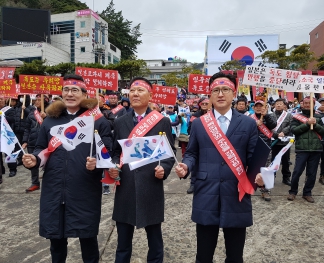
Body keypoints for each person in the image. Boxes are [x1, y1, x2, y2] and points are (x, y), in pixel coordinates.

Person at [22, 74, 112, 263]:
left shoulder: (98, 121)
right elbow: (40, 148)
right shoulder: (50, 120)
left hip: (84, 188)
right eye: (66, 90)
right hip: (54, 188)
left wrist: (97, 163)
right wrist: (34, 160)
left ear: (84, 93)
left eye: (75, 90)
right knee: (56, 241)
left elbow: (108, 153)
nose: (70, 94)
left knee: (88, 240)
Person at [175, 72, 264, 263]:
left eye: (225, 90)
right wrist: (186, 167)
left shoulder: (248, 124)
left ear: (234, 93)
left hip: (236, 192)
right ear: (210, 95)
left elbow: (253, 157)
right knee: (204, 255)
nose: (221, 94)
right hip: (206, 191)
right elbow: (192, 153)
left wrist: (261, 175)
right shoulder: (199, 123)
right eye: (216, 90)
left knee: (235, 255)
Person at [108, 77, 176, 263]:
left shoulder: (161, 121)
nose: (135, 94)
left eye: (140, 91)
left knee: (154, 240)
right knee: (123, 242)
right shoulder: (120, 121)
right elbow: (115, 152)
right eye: (132, 91)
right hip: (126, 187)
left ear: (151, 96)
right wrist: (114, 166)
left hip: (151, 185)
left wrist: (164, 168)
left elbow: (169, 154)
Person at [287, 96, 324, 203]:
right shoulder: (297, 117)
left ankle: (307, 193)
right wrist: (307, 124)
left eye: (310, 103)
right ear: (302, 104)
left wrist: (315, 124)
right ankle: (293, 191)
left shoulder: (319, 117)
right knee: (297, 171)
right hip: (302, 149)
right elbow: (294, 130)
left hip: (316, 149)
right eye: (305, 103)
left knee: (312, 173)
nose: (307, 105)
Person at [250, 100, 277, 201]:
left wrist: (266, 116)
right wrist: (255, 125)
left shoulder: (269, 116)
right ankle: (250, 187)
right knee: (251, 168)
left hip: (266, 146)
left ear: (265, 107)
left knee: (266, 169)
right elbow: (245, 130)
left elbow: (273, 125)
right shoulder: (249, 118)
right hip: (252, 146)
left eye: (260, 106)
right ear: (253, 108)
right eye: (256, 106)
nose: (258, 108)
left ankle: (265, 191)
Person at [22, 94, 49, 192]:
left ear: (45, 101)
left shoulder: (51, 112)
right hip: (32, 142)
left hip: (46, 143)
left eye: (39, 100)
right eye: (36, 100)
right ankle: (35, 183)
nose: (37, 102)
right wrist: (25, 141)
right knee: (32, 163)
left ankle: (48, 183)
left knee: (48, 163)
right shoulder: (32, 113)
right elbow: (27, 129)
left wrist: (46, 118)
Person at [271, 98, 293, 186]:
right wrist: (276, 134)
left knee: (285, 161)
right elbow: (269, 127)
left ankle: (286, 178)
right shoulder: (270, 115)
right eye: (277, 104)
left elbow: (291, 125)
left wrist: (284, 132)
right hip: (274, 142)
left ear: (284, 105)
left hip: (285, 142)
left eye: (280, 104)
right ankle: (272, 177)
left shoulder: (288, 115)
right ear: (274, 105)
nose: (279, 105)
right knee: (273, 161)